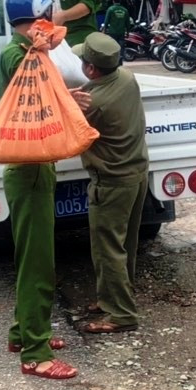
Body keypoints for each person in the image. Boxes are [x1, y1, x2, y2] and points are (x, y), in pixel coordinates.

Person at [0, 0, 77, 380]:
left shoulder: (23, 53)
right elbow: (39, 103)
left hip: (33, 163)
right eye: (51, 15)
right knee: (38, 262)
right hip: (29, 168)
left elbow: (39, 102)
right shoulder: (22, 55)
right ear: (38, 17)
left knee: (32, 257)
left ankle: (22, 332)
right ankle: (35, 352)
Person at [68, 33, 149, 335]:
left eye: (82, 63)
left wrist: (65, 100)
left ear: (91, 70)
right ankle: (112, 299)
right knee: (124, 244)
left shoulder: (93, 103)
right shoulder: (126, 78)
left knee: (107, 249)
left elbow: (63, 125)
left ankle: (121, 315)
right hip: (136, 173)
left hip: (112, 181)